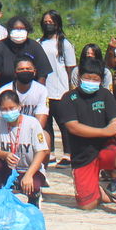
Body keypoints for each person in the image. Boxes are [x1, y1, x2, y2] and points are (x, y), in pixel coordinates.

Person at [53, 59, 116, 217]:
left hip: (105, 149)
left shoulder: (106, 95)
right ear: (79, 77)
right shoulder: (68, 98)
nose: (91, 81)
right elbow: (73, 127)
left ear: (101, 80)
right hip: (83, 155)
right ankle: (100, 192)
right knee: (87, 205)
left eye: (95, 79)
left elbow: (114, 122)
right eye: (87, 78)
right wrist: (104, 131)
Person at [0, 88, 49, 203]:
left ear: (19, 106)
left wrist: (29, 174)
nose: (8, 112)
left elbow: (41, 151)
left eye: (12, 108)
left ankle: (35, 196)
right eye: (4, 109)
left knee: (32, 186)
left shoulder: (32, 123)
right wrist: (5, 154)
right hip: (10, 169)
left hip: (29, 169)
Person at [0, 16, 54, 97]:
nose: (19, 31)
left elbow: (42, 75)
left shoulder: (35, 47)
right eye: (16, 29)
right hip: (6, 96)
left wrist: (37, 96)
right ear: (9, 30)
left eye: (22, 29)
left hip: (31, 95)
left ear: (27, 31)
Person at [37, 10, 75, 149]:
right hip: (44, 89)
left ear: (57, 24)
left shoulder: (64, 44)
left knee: (63, 123)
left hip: (60, 90)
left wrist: (70, 89)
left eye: (51, 22)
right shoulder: (38, 43)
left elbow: (70, 68)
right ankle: (50, 151)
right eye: (45, 22)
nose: (48, 25)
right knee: (46, 123)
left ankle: (68, 153)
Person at [0, 56, 50, 123]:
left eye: (28, 69)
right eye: (21, 69)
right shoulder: (2, 92)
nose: (25, 71)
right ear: (15, 73)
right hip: (7, 129)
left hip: (32, 129)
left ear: (34, 72)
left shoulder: (42, 90)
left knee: (45, 134)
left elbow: (40, 122)